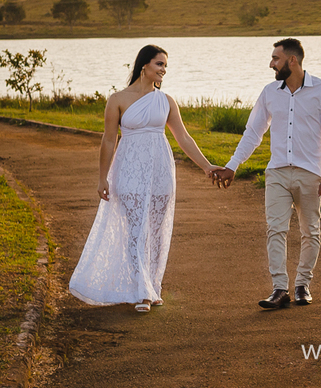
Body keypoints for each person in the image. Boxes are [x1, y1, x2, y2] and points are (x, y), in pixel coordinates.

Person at [69, 44, 218, 312]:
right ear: (144, 66)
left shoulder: (166, 101)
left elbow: (183, 137)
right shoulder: (118, 99)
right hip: (129, 170)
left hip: (160, 170)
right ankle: (141, 292)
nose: (163, 70)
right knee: (137, 230)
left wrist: (206, 166)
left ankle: (153, 285)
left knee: (157, 231)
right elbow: (108, 140)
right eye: (159, 64)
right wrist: (103, 178)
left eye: (165, 66)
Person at [211, 38, 321, 309]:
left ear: (292, 60)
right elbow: (253, 133)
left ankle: (303, 285)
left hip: (310, 174)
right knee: (275, 230)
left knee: (311, 231)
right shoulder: (270, 92)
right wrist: (233, 165)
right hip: (278, 174)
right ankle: (280, 289)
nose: (271, 63)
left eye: (275, 58)